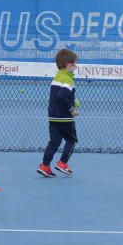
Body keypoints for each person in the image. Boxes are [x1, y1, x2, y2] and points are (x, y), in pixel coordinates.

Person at [37, 48, 80, 178]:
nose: (76, 67)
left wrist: (73, 100)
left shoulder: (56, 77)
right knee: (71, 140)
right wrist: (71, 109)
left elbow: (59, 95)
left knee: (54, 142)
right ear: (69, 65)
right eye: (74, 64)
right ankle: (63, 163)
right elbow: (61, 97)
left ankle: (45, 166)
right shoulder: (68, 79)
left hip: (53, 116)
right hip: (65, 118)